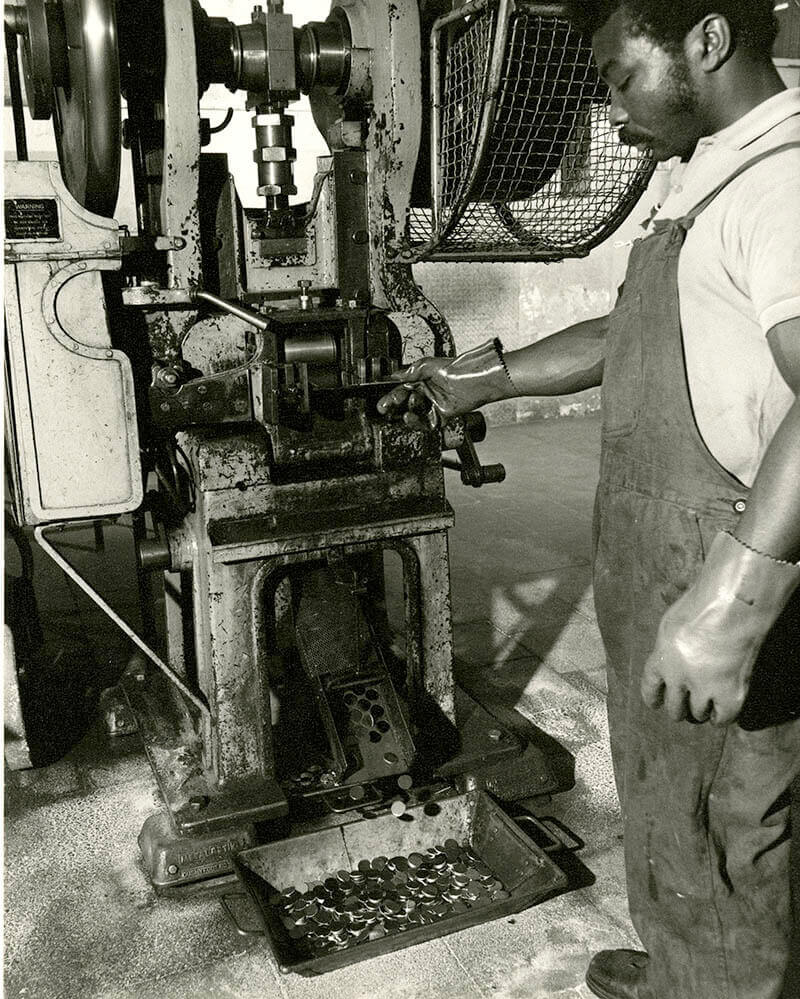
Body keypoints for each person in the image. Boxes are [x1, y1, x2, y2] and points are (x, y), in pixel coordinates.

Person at [378, 2, 800, 997]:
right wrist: (491, 377)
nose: (607, 114)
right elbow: (635, 331)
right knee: (667, 800)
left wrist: (730, 607)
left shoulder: (782, 187)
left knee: (737, 820)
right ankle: (684, 970)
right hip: (661, 562)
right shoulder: (706, 171)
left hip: (726, 557)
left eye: (617, 79)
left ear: (703, 40)